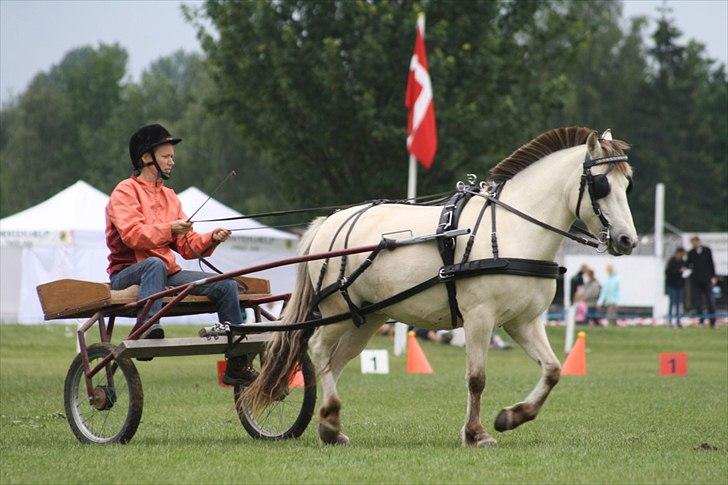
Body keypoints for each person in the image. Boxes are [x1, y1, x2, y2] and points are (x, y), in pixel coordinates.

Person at [106, 123, 255, 385]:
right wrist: (169, 228)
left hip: (165, 274)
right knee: (154, 263)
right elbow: (132, 235)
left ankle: (237, 364)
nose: (172, 161)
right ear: (145, 158)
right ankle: (147, 327)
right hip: (127, 275)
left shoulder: (170, 197)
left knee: (226, 285)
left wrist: (212, 238)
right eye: (166, 156)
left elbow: (187, 247)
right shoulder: (124, 191)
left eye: (172, 156)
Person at [686, 236, 717, 328]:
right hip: (696, 281)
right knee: (698, 303)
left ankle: (713, 322)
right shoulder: (691, 253)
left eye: (695, 242)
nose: (694, 244)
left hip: (707, 280)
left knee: (710, 301)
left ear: (698, 241)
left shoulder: (707, 250)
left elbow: (711, 264)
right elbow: (687, 264)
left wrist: (713, 276)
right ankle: (701, 322)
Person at [665, 247, 687, 328]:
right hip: (672, 285)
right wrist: (679, 271)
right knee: (672, 303)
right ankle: (670, 321)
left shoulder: (683, 262)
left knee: (679, 304)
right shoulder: (671, 261)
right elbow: (668, 272)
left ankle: (678, 321)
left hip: (680, 286)